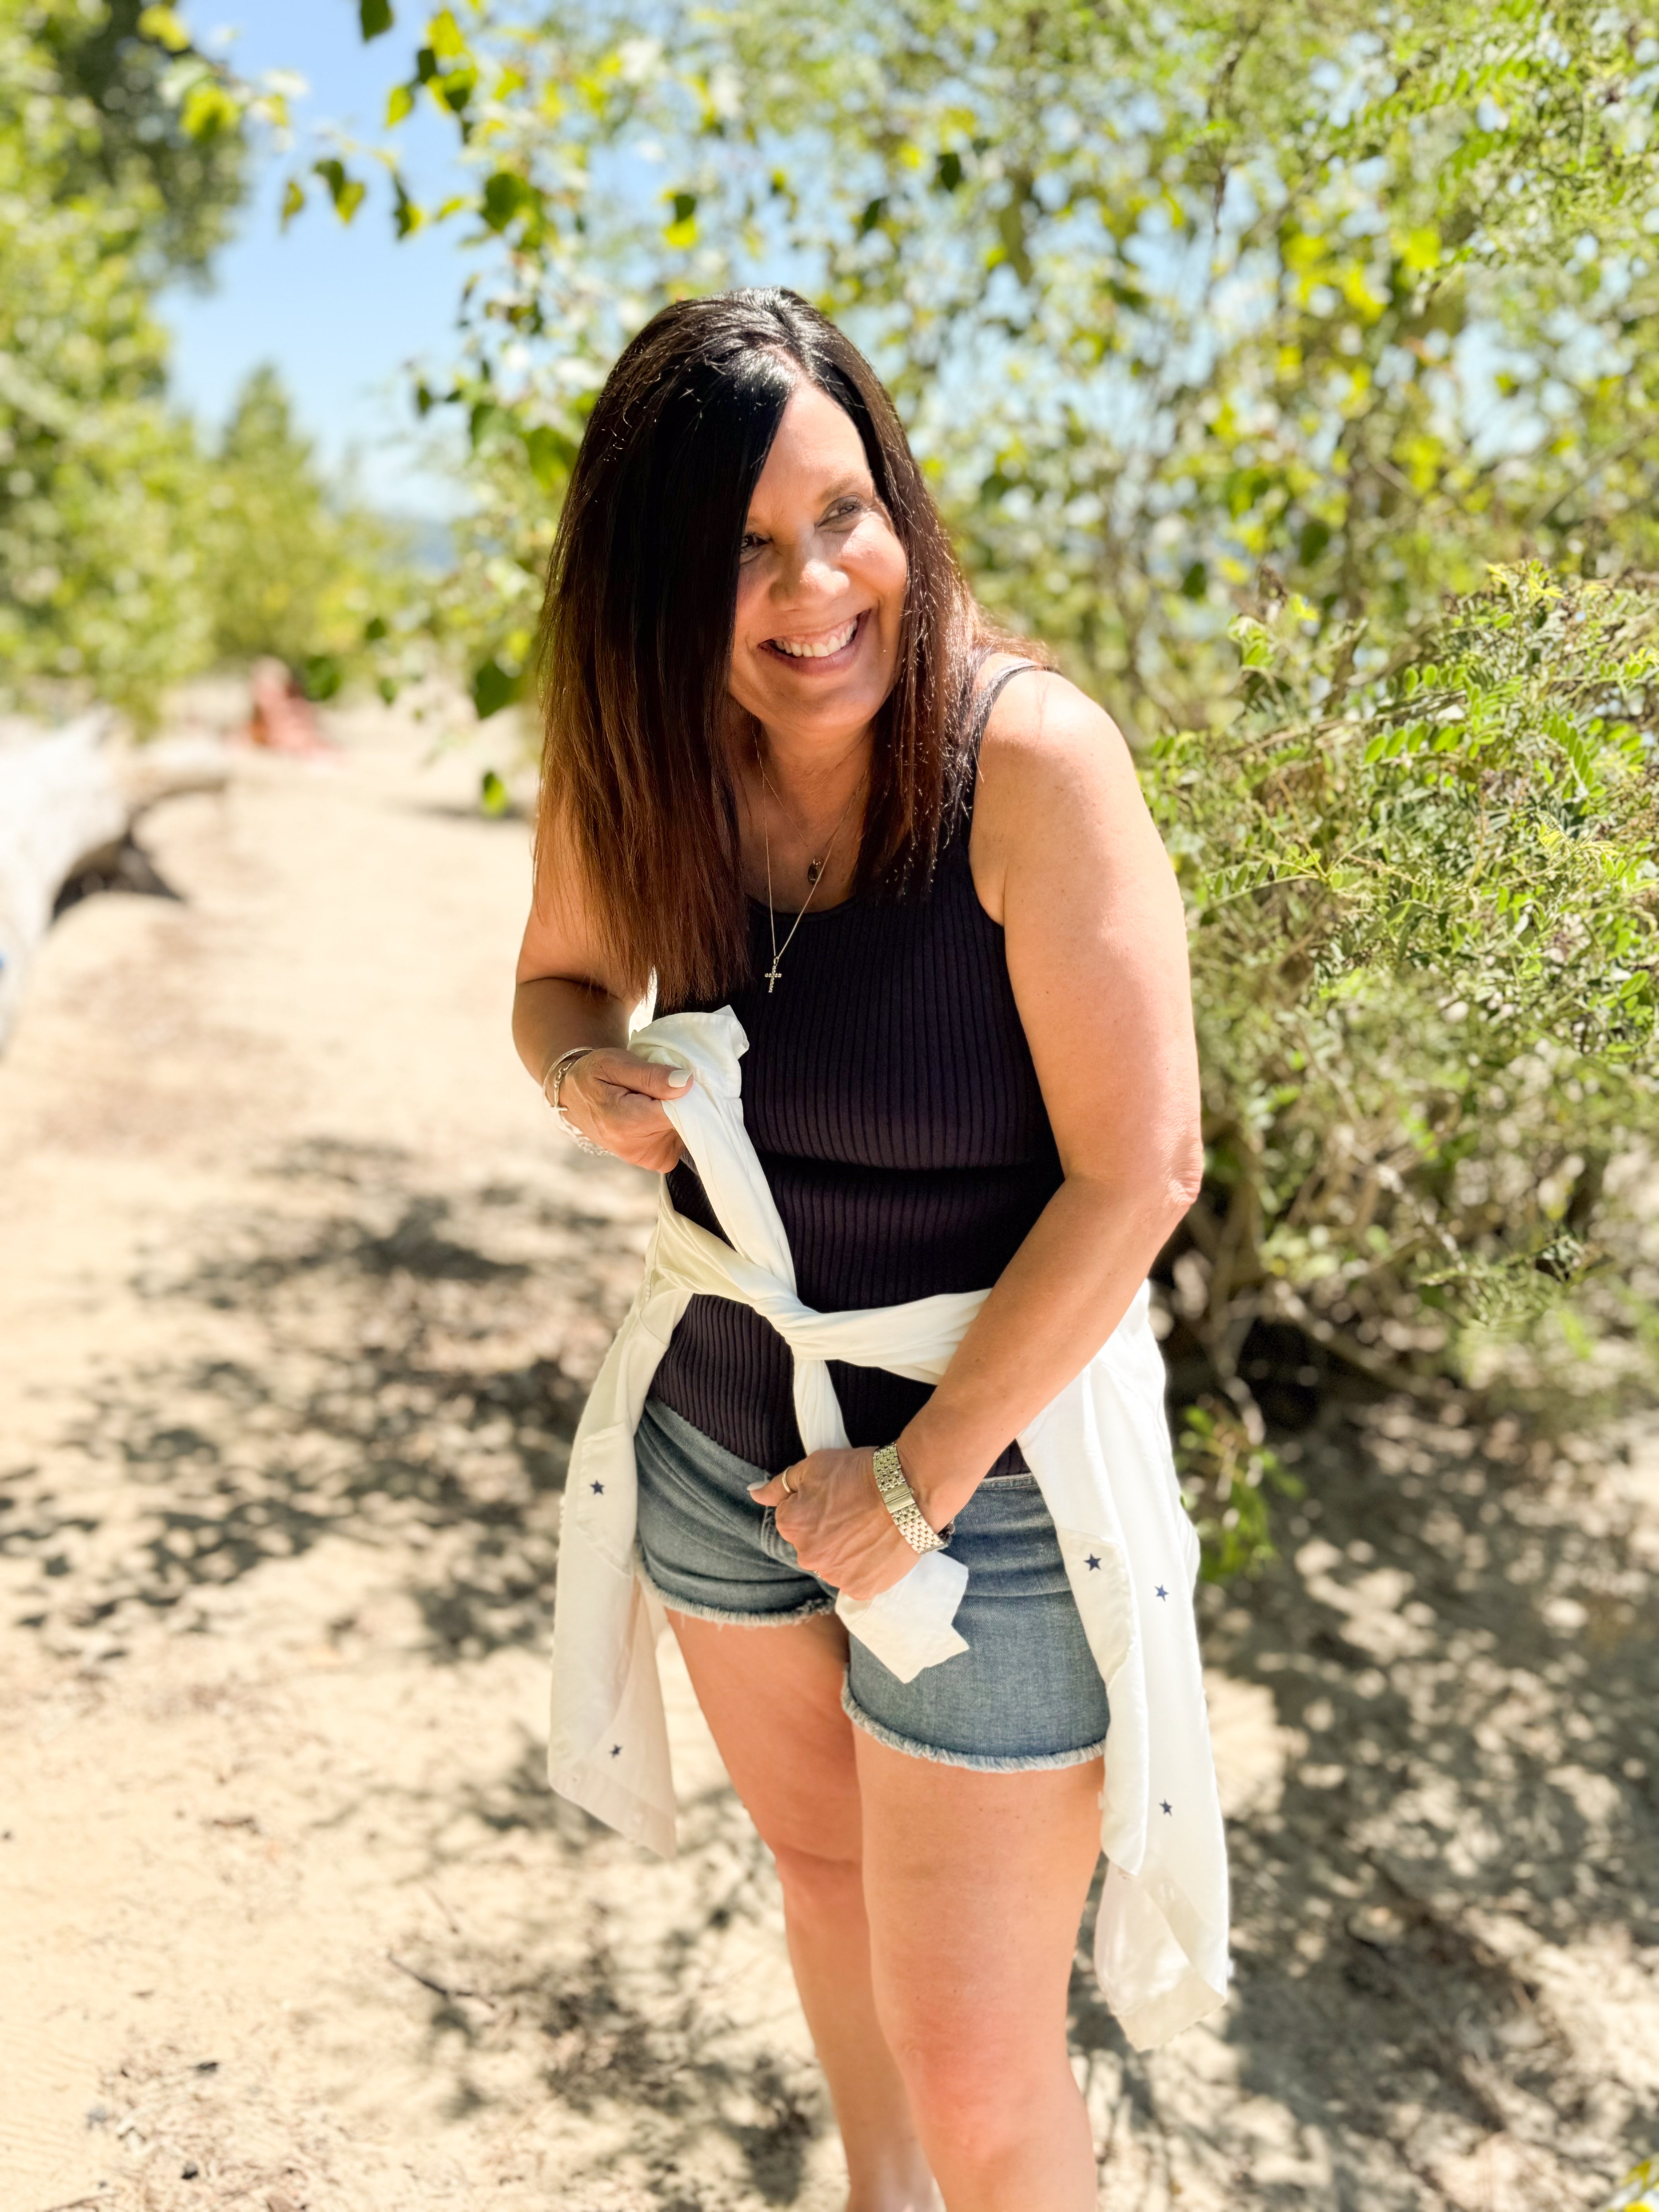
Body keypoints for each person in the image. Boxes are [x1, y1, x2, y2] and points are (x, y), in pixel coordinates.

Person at [512, 289, 1206, 2212]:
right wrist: (585, 1069)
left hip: (982, 1491)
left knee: (985, 2077)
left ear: (899, 505)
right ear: (658, 585)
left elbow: (1144, 1168)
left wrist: (915, 1480)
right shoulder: (646, 747)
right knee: (823, 1898)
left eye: (843, 515)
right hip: (719, 1454)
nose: (814, 588)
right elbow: (558, 975)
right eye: (740, 550)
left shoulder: (1033, 763)